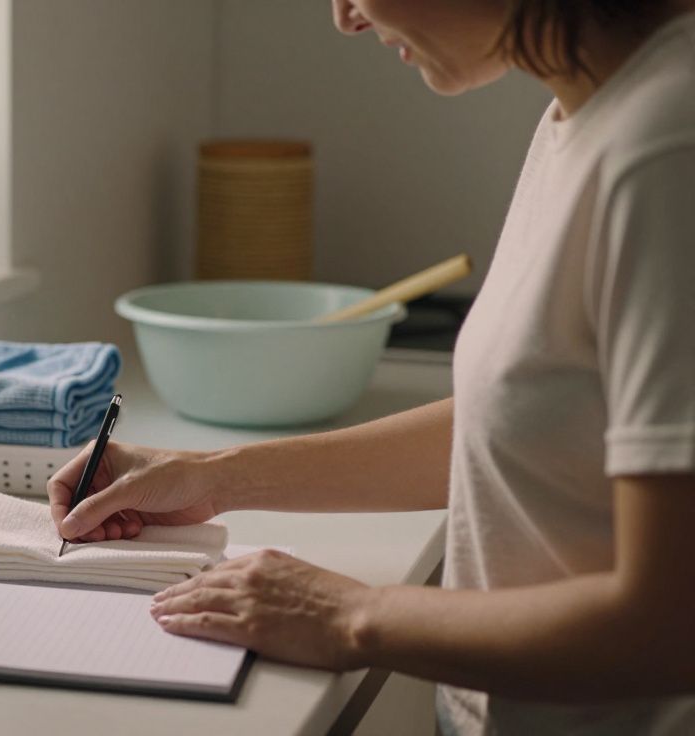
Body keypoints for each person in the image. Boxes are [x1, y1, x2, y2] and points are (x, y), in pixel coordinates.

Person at [46, 1, 695, 733]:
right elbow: (530, 422)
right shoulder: (585, 113)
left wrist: (353, 615)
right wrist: (215, 476)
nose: (344, 16)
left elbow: (669, 619)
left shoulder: (665, 149)